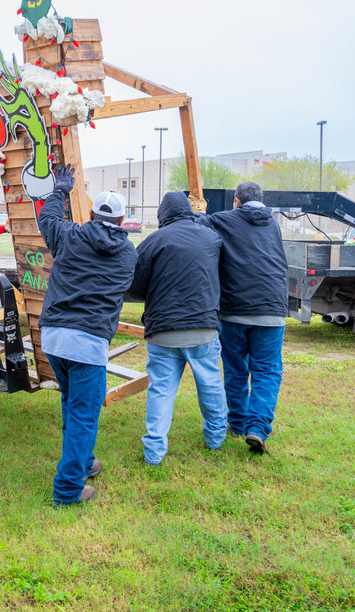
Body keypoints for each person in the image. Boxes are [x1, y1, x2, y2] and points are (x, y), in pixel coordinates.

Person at [38, 166, 137, 505]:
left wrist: (60, 191)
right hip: (88, 344)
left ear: (92, 213)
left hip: (53, 338)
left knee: (72, 403)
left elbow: (47, 219)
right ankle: (67, 490)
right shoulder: (128, 253)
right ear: (123, 221)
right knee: (83, 414)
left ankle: (82, 462)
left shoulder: (70, 235)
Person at [128, 191, 226, 463]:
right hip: (203, 328)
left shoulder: (153, 241)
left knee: (160, 390)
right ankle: (216, 438)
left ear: (163, 216)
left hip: (162, 331)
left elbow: (135, 287)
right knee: (210, 385)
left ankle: (154, 453)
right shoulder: (211, 238)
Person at [199, 181, 288, 454]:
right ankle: (257, 428)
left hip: (234, 310)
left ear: (236, 201)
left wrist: (198, 209)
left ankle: (236, 422)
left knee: (236, 368)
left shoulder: (223, 220)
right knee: (267, 371)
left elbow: (196, 226)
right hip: (272, 309)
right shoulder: (273, 224)